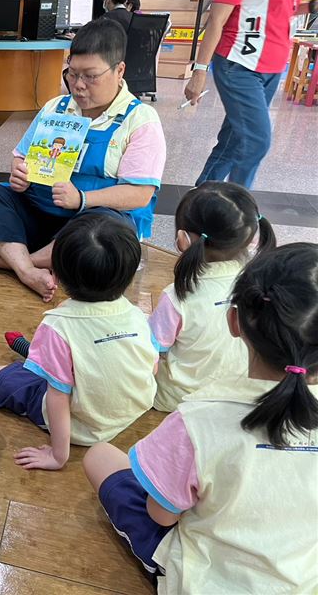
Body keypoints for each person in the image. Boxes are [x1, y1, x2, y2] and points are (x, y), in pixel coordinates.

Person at [82, 242, 318, 593]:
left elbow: (161, 515)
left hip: (202, 579)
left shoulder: (198, 418)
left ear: (234, 320)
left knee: (99, 455)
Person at [0, 18, 166, 301]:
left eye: (90, 76)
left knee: (104, 232)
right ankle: (29, 270)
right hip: (41, 209)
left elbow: (140, 194)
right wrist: (19, 174)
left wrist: (82, 199)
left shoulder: (140, 120)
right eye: (72, 73)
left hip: (91, 219)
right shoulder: (55, 107)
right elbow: (21, 157)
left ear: (119, 70)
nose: (78, 86)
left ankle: (16, 261)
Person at [0, 214, 158, 471]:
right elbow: (152, 366)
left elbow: (57, 398)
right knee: (59, 368)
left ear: (58, 274)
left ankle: (34, 359)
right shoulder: (136, 314)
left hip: (85, 428)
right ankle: (36, 357)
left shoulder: (57, 326)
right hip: (134, 410)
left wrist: (58, 456)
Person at [150, 182, 276, 412]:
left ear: (183, 239)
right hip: (232, 396)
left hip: (178, 398)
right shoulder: (259, 283)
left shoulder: (177, 296)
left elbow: (152, 349)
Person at [185, 0, 311, 189]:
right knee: (256, 141)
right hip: (240, 63)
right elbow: (216, 19)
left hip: (272, 68)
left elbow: (280, 9)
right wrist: (200, 70)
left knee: (235, 138)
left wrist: (311, 7)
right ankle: (238, 202)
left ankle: (204, 192)